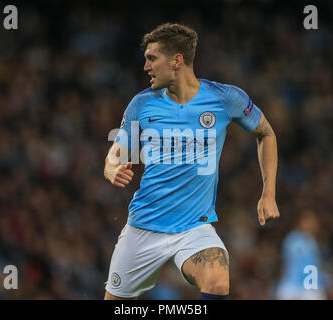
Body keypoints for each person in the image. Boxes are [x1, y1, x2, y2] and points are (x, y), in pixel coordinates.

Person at [103, 23, 280, 300]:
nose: (145, 67)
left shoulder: (225, 98)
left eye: (152, 58)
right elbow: (115, 155)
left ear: (177, 60)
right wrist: (112, 169)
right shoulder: (142, 104)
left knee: (218, 281)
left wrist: (268, 193)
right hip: (143, 228)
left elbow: (266, 134)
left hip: (194, 227)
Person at [275, 210, 330, 299]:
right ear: (301, 221)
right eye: (309, 220)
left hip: (308, 287)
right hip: (294, 286)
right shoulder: (293, 239)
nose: (312, 224)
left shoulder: (311, 241)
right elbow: (298, 265)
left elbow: (314, 266)